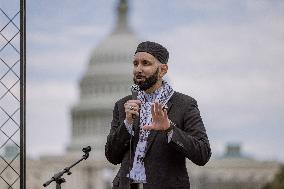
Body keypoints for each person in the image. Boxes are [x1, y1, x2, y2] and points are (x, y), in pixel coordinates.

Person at [105, 41, 211, 189]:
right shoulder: (124, 105)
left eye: (145, 63)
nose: (138, 69)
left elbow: (203, 154)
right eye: (135, 64)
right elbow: (111, 156)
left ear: (163, 70)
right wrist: (127, 124)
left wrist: (169, 129)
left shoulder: (184, 105)